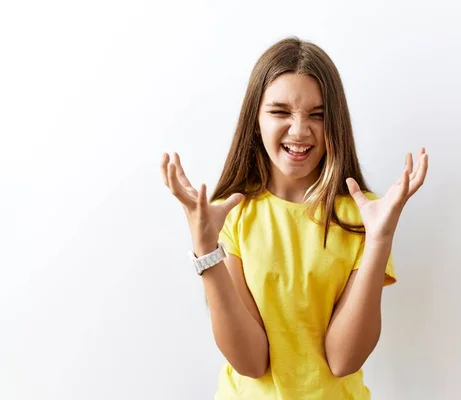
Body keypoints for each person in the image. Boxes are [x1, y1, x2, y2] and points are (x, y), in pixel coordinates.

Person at [161, 36, 429, 399]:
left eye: (317, 115)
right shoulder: (232, 214)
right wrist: (206, 250)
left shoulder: (364, 215)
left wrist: (379, 240)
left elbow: (343, 360)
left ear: (335, 123)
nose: (300, 130)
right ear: (255, 120)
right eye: (280, 112)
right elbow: (251, 362)